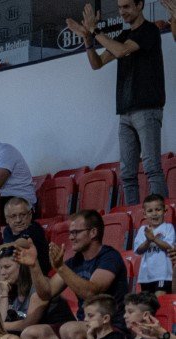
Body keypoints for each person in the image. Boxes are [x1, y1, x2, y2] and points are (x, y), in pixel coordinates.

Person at [69, 0, 167, 205]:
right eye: (120, 7)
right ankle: (133, 213)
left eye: (127, 6)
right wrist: (88, 39)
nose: (122, 12)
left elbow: (122, 51)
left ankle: (162, 221)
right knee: (128, 174)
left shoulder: (149, 31)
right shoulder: (123, 35)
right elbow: (97, 63)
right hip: (125, 111)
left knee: (151, 168)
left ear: (140, 5)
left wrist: (95, 31)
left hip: (147, 109)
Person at [18, 211, 130, 339]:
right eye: (70, 233)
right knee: (29, 335)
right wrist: (34, 265)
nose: (71, 237)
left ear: (93, 232)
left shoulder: (110, 257)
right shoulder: (74, 262)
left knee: (69, 329)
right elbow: (46, 293)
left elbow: (91, 292)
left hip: (110, 328)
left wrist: (61, 268)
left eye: (76, 232)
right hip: (84, 327)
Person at [135, 193, 176, 293]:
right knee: (148, 304)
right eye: (150, 211)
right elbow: (138, 250)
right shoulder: (142, 230)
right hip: (146, 276)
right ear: (144, 214)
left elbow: (169, 247)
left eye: (158, 210)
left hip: (163, 274)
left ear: (165, 211)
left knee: (160, 299)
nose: (154, 213)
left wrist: (153, 239)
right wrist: (148, 241)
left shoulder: (168, 227)